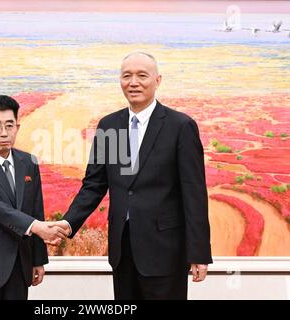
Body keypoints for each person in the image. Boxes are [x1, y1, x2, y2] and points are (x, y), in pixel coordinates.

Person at [59, 52, 212, 299]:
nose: (134, 82)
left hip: (166, 251)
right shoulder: (109, 125)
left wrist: (199, 253)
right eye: (126, 76)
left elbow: (194, 193)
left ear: (158, 80)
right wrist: (68, 223)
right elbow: (95, 185)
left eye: (142, 75)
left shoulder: (180, 126)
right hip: (123, 250)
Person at [0, 95, 67, 300]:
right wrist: (36, 227)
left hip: (19, 264)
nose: (4, 133)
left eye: (10, 125)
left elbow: (35, 209)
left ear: (17, 126)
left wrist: (38, 259)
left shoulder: (28, 162)